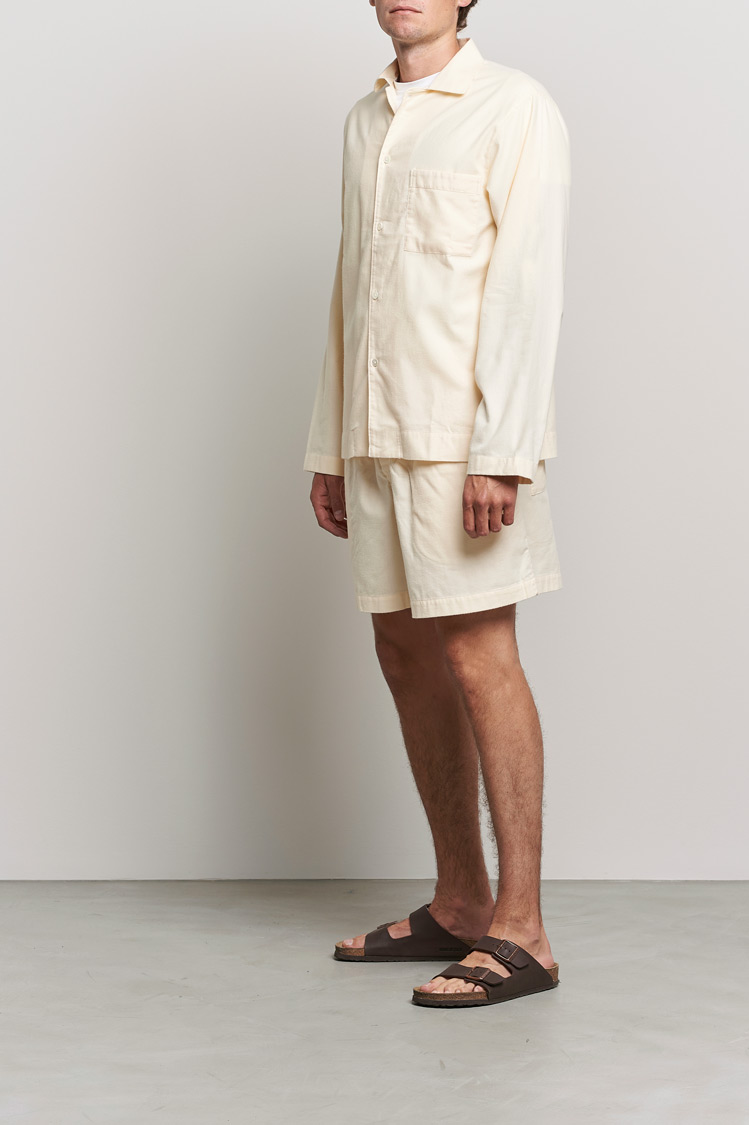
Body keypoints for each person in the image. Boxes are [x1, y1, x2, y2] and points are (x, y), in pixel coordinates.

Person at [303, 0, 571, 1008]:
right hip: (373, 434)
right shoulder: (363, 119)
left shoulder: (514, 106)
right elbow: (351, 285)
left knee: (477, 653)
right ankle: (461, 900)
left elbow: (526, 285)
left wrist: (505, 452)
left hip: (464, 445)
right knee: (403, 650)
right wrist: (330, 442)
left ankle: (524, 929)